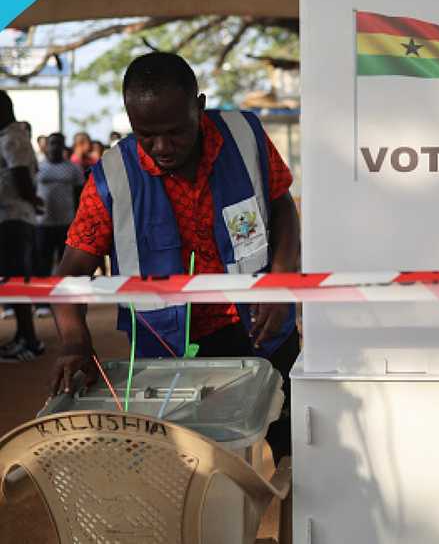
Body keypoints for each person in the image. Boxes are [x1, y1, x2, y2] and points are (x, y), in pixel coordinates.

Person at [51, 52, 302, 464]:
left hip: (261, 326)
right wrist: (75, 344)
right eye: (146, 134)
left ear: (199, 107)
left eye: (176, 132)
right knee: (186, 467)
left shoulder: (244, 136)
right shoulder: (112, 178)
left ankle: (295, 527)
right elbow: (69, 277)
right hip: (169, 354)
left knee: (296, 449)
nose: (161, 147)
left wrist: (281, 281)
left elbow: (280, 205)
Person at [0, 90, 46, 360]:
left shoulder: (12, 138)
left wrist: (30, 199)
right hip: (13, 216)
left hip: (13, 218)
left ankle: (29, 341)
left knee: (16, 280)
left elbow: (19, 175)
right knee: (13, 280)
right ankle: (22, 336)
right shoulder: (10, 136)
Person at [34, 132, 85, 318]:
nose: (55, 147)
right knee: (43, 263)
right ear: (47, 146)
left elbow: (80, 195)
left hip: (66, 223)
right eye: (52, 143)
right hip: (43, 223)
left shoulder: (73, 169)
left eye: (59, 144)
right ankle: (41, 303)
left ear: (63, 146)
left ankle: (66, 302)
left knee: (66, 264)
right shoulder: (38, 168)